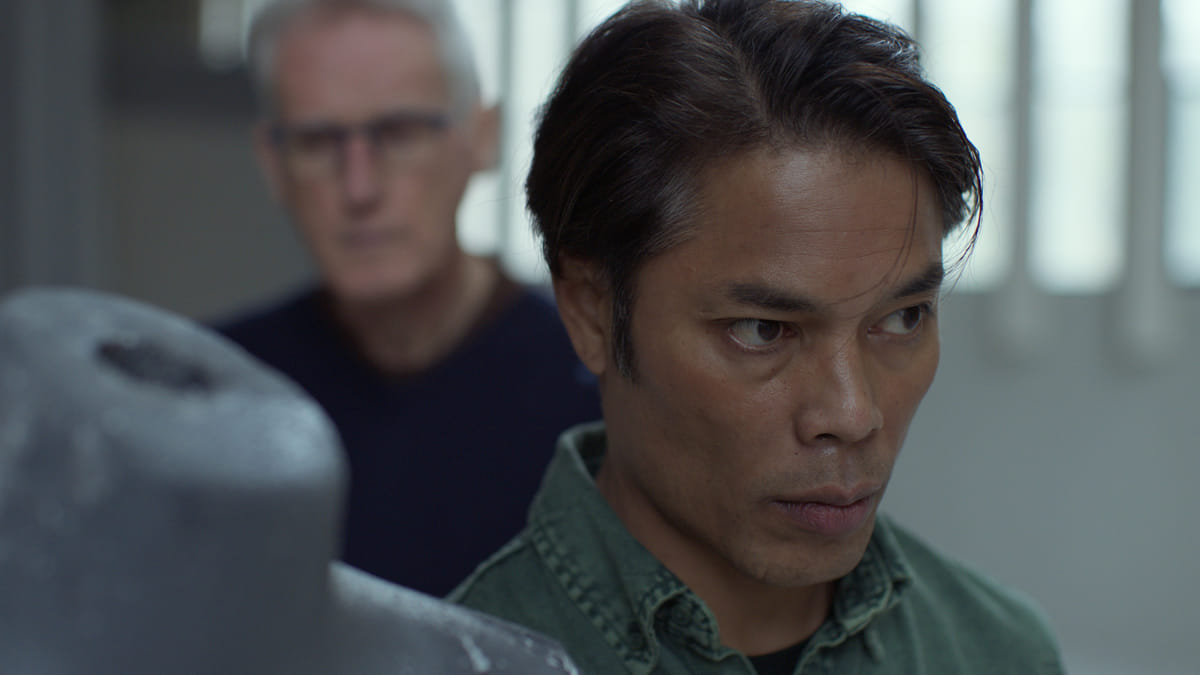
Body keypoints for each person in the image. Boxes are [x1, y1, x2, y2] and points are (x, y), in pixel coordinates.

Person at [450, 0, 1065, 673]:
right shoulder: (459, 663)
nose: (852, 414)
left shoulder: (998, 651)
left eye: (903, 317)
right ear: (592, 313)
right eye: (762, 331)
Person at [213, 0, 600, 597]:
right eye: (317, 142)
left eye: (399, 133)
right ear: (273, 164)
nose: (359, 187)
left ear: (483, 138)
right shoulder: (218, 399)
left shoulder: (601, 390)